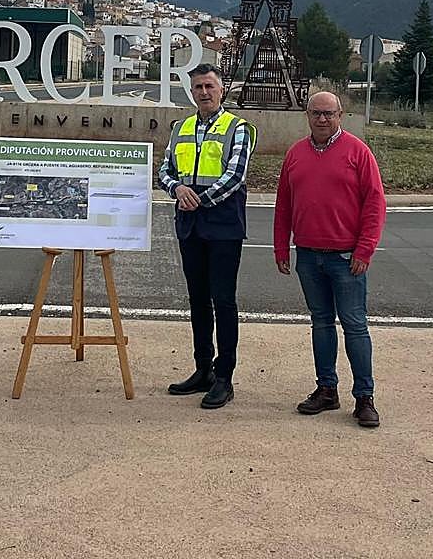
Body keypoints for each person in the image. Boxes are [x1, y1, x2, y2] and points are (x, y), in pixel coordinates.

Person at [273, 91, 386, 429]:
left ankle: (364, 397)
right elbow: (284, 206)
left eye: (329, 114)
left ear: (340, 115)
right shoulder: (295, 154)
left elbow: (375, 203)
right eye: (316, 113)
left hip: (346, 258)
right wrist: (282, 248)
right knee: (321, 323)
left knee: (354, 325)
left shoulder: (357, 152)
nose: (322, 119)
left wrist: (365, 249)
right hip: (308, 256)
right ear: (307, 116)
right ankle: (326, 389)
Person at [158, 64, 255, 409]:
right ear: (192, 91)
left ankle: (225, 376)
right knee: (197, 300)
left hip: (223, 227)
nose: (203, 92)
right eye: (198, 87)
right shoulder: (181, 128)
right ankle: (203, 369)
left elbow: (235, 175)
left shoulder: (239, 128)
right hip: (190, 227)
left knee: (223, 301)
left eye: (209, 86)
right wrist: (177, 188)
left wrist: (196, 199)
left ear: (221, 89)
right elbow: (164, 170)